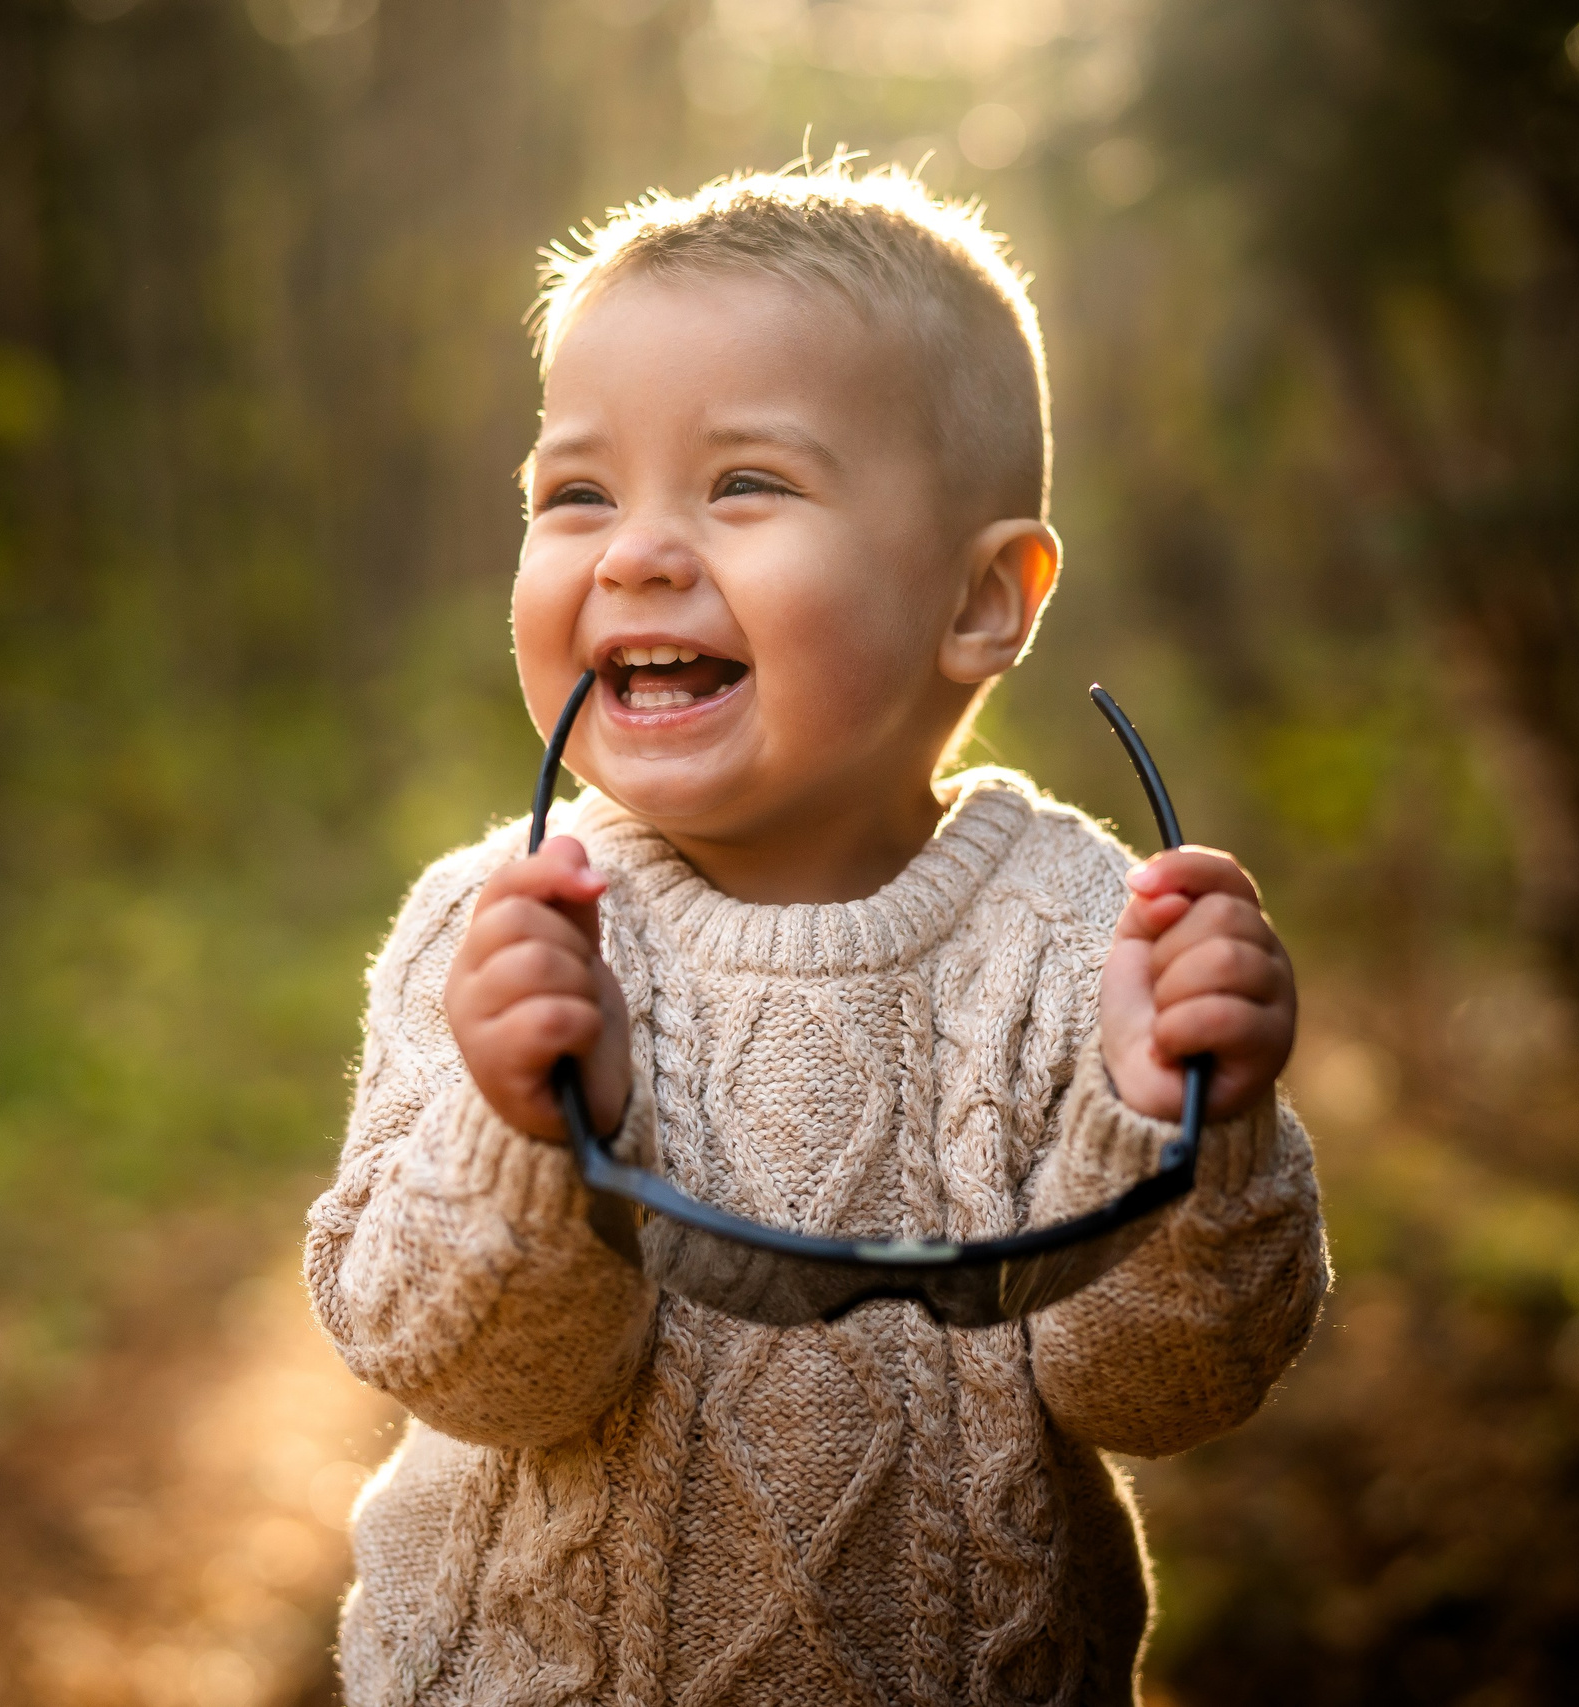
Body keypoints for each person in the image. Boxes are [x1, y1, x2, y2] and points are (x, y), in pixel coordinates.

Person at [304, 160, 1326, 1707]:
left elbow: (1165, 1389)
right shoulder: (498, 930)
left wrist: (1179, 1123)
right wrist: (521, 1126)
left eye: (746, 485)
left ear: (982, 598)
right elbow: (474, 1373)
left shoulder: (1079, 943)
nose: (634, 552)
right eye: (574, 493)